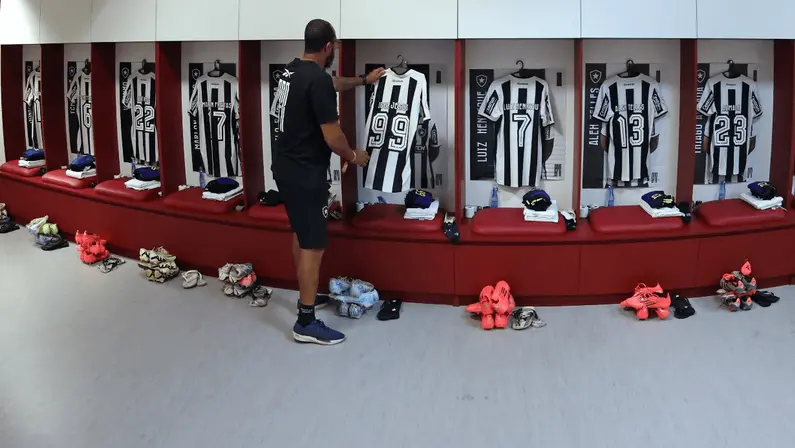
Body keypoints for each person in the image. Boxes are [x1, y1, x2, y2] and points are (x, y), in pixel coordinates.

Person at [270, 18, 383, 345]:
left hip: (285, 169)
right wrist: (353, 155)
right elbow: (333, 137)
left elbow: (331, 83)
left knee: (301, 233)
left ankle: (304, 299)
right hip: (306, 175)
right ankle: (306, 321)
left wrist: (363, 80)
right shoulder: (315, 79)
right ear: (329, 46)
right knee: (314, 245)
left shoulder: (291, 71)